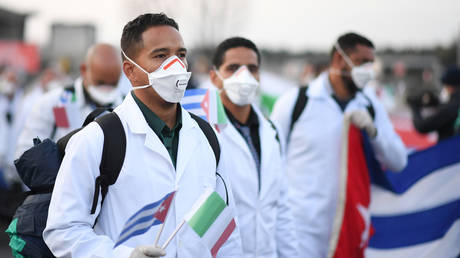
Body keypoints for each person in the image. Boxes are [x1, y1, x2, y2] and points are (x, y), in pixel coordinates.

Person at [43, 13, 242, 258]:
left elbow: (225, 232)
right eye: (161, 56)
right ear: (130, 70)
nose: (176, 65)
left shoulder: (207, 137)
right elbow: (63, 229)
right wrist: (123, 256)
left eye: (181, 55)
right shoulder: (98, 139)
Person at [271, 32, 407, 257]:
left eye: (371, 64)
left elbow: (398, 161)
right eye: (361, 62)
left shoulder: (370, 104)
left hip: (350, 228)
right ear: (338, 59)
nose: (367, 70)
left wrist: (374, 133)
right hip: (301, 231)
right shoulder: (297, 102)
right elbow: (271, 161)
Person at [209, 37, 298, 258]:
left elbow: (281, 206)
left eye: (252, 68)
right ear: (215, 77)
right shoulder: (203, 131)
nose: (244, 76)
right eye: (233, 68)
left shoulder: (272, 131)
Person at [409, 66, 460, 141]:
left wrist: (414, 107)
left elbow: (422, 127)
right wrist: (434, 101)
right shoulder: (453, 104)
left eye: (445, 86)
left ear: (450, 86)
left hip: (450, 150)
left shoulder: (451, 107)